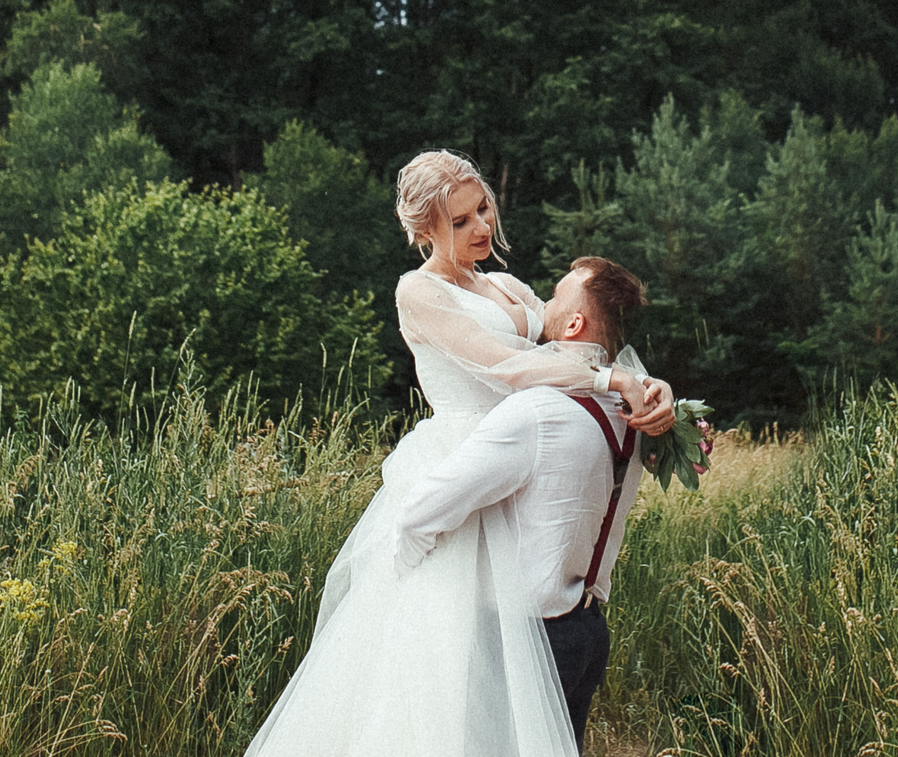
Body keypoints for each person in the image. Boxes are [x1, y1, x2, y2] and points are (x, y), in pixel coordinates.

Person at [241, 151, 671, 757]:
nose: (482, 228)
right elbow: (503, 365)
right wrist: (610, 384)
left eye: (483, 209)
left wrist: (652, 384)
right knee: (440, 670)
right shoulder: (417, 292)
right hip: (464, 460)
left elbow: (578, 344)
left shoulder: (507, 286)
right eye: (461, 222)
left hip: (521, 463)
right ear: (424, 233)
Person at [390, 256, 655, 752]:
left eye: (555, 297)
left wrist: (417, 579)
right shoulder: (633, 418)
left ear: (574, 324)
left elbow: (422, 511)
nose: (543, 304)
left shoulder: (534, 413)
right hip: (588, 631)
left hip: (523, 642)